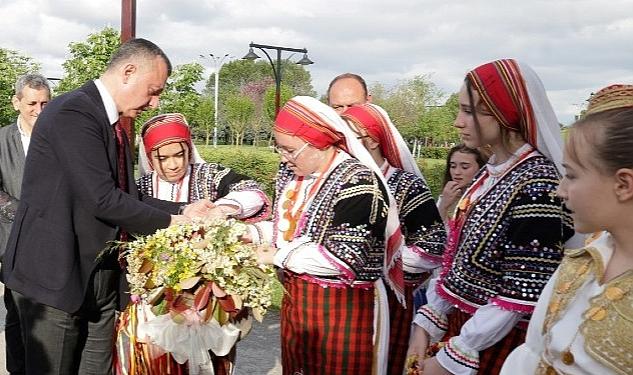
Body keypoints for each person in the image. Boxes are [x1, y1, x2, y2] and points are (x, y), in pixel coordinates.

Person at [1, 38, 212, 374]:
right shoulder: (73, 112)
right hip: (56, 279)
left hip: (98, 279)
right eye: (153, 90)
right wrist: (174, 223)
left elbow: (123, 192)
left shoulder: (109, 123)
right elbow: (102, 198)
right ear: (128, 71)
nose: (155, 103)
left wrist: (185, 210)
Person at [406, 59, 576, 375]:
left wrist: (456, 354)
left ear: (503, 112)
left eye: (469, 111)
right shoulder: (492, 173)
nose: (458, 122)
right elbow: (456, 260)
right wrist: (426, 324)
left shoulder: (537, 184)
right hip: (468, 329)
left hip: (499, 344)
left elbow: (522, 291)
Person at [249, 96, 405, 374]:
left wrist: (278, 255)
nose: (283, 157)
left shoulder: (358, 181)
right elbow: (288, 228)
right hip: (299, 302)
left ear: (318, 141)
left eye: (290, 150)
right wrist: (250, 234)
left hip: (343, 309)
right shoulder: (293, 171)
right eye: (280, 149)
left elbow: (344, 257)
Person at [114, 112, 271, 375]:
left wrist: (221, 208)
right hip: (152, 302)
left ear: (189, 149)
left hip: (206, 303)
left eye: (179, 154)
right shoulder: (139, 189)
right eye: (162, 158)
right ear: (149, 157)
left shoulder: (210, 176)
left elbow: (253, 192)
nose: (173, 165)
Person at [500, 84, 633, 374]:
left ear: (623, 184)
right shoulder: (581, 263)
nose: (560, 191)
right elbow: (534, 352)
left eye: (571, 175)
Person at [341, 103, 446, 374]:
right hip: (346, 300)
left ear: (373, 140)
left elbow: (434, 246)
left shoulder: (406, 185)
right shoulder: (342, 182)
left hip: (390, 299)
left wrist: (383, 262)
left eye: (348, 139)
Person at [0, 73, 51, 374]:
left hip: (54, 241)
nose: (39, 110)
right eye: (32, 103)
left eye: (45, 103)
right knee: (18, 313)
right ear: (16, 102)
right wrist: (21, 214)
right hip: (13, 244)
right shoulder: (1, 140)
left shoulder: (60, 135)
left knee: (51, 317)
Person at [437, 144, 487, 223]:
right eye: (453, 166)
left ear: (481, 168)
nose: (456, 172)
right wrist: (443, 205)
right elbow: (435, 229)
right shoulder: (447, 195)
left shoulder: (484, 197)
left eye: (465, 167)